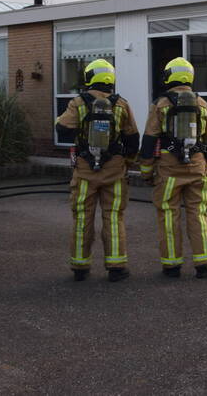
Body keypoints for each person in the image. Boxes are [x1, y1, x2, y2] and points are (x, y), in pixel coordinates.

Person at [138, 57, 207, 279]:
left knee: (168, 214)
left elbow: (149, 140)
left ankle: (171, 265)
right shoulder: (203, 104)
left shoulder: (160, 104)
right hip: (197, 167)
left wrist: (146, 171)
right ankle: (206, 263)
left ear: (169, 76)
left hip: (169, 170)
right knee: (198, 213)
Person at [55, 59, 139, 282]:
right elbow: (133, 138)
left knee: (82, 217)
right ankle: (116, 267)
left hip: (85, 171)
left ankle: (80, 267)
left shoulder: (79, 103)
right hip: (114, 170)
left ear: (90, 76)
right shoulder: (121, 104)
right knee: (113, 217)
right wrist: (126, 162)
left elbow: (62, 130)